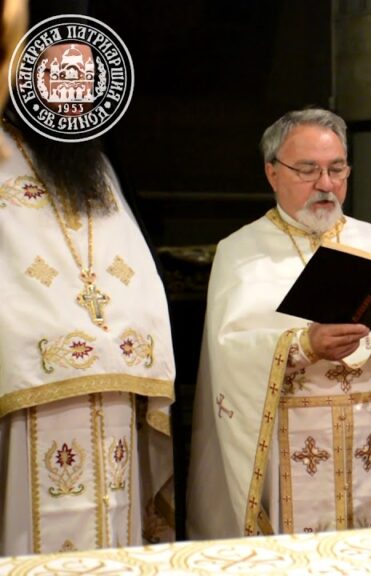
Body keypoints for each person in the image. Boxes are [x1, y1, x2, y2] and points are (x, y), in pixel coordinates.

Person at [187, 109, 371, 538]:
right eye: (308, 170)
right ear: (272, 173)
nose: (326, 184)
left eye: (337, 169)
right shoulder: (241, 251)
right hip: (291, 442)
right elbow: (227, 354)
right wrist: (301, 345)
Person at [0, 17, 175, 554]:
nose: (70, 103)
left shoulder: (94, 168)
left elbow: (130, 266)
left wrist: (128, 335)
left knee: (115, 524)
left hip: (114, 385)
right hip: (29, 390)